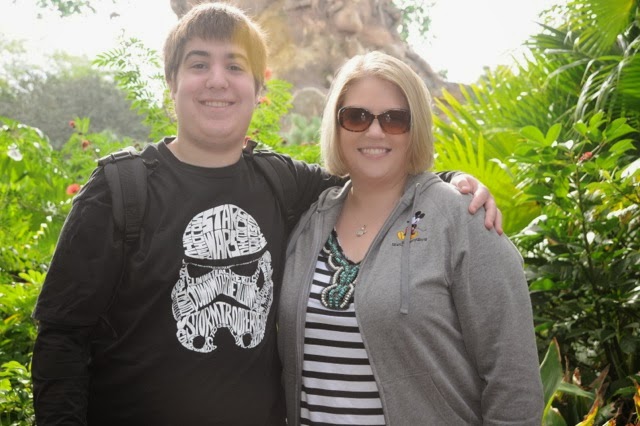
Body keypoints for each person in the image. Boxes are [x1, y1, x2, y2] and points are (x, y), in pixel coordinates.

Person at [31, 4, 501, 425]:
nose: (217, 80)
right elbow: (61, 340)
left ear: (258, 89)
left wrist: (451, 181)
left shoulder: (282, 184)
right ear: (171, 82)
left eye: (235, 66)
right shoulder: (117, 192)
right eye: (199, 64)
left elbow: (374, 175)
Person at [277, 51, 544, 425]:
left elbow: (513, 379)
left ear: (415, 128)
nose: (374, 132)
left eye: (394, 119)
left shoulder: (461, 219)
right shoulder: (309, 221)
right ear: (336, 127)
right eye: (356, 117)